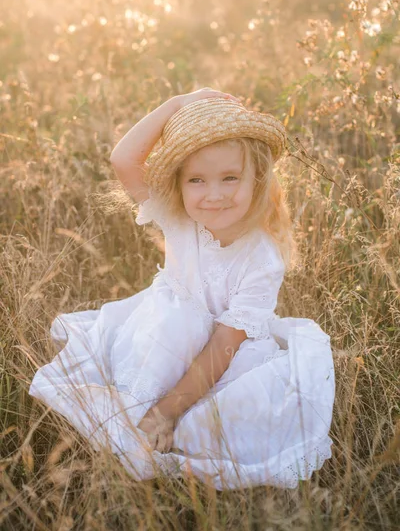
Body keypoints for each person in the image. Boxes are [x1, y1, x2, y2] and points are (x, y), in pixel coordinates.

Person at [28, 88, 335, 491]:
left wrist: (169, 411)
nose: (214, 194)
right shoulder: (178, 217)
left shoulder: (262, 257)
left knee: (232, 418)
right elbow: (123, 159)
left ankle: (171, 424)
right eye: (197, 180)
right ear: (180, 185)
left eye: (230, 177)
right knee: (151, 354)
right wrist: (177, 104)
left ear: (256, 178)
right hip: (162, 336)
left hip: (225, 355)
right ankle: (141, 410)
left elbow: (225, 343)